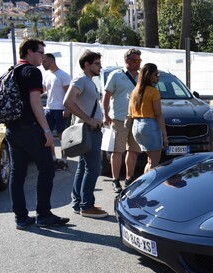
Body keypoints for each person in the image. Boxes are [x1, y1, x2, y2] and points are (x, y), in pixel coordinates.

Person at [5, 38, 69, 229]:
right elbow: (35, 103)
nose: (43, 57)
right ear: (30, 52)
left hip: (12, 129)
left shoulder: (13, 70)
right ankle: (43, 214)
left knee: (17, 175)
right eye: (40, 52)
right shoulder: (32, 72)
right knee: (47, 168)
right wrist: (47, 130)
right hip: (30, 130)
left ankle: (21, 218)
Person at [63, 50, 107, 219]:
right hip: (88, 131)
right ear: (86, 65)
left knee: (83, 168)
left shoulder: (88, 81)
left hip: (89, 131)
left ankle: (79, 203)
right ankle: (87, 206)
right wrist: (89, 120)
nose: (100, 67)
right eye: (97, 63)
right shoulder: (81, 79)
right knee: (94, 169)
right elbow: (67, 101)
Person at [102, 48, 142, 193]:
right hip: (119, 118)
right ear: (127, 61)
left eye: (139, 61)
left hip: (136, 118)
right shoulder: (116, 75)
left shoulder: (141, 76)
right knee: (117, 151)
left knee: (133, 150)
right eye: (136, 60)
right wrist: (105, 115)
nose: (138, 63)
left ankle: (129, 178)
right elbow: (106, 96)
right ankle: (115, 180)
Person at [129, 63, 168, 173]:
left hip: (136, 126)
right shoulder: (153, 91)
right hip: (149, 126)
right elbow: (158, 114)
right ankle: (150, 187)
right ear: (149, 75)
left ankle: (145, 185)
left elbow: (130, 112)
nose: (158, 77)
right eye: (156, 74)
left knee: (150, 161)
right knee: (154, 162)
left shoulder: (135, 91)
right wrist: (164, 135)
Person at [42, 53, 71, 171]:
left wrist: (67, 109)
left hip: (61, 109)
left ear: (51, 61)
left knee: (61, 135)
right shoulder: (47, 76)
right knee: (47, 135)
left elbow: (69, 94)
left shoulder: (63, 75)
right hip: (49, 109)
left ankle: (64, 160)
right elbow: (42, 91)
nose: (42, 63)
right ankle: (53, 159)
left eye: (44, 61)